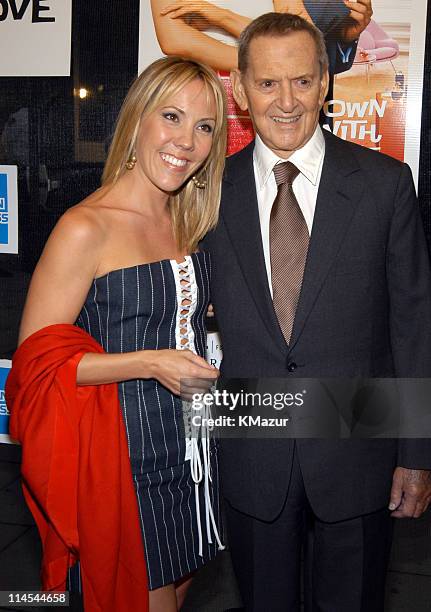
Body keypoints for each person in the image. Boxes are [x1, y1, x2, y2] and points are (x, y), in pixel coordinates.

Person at [203, 12, 431, 612]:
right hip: (253, 442)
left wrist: (414, 453)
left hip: (359, 446)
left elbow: (412, 326)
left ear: (326, 82)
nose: (286, 101)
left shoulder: (385, 184)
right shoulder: (204, 193)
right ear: (241, 90)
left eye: (302, 81)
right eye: (268, 83)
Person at [14, 56, 227, 612]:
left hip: (195, 455)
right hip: (125, 460)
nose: (187, 141)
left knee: (179, 594)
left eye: (204, 127)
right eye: (173, 117)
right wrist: (151, 362)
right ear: (138, 122)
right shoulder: (85, 226)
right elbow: (34, 367)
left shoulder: (189, 219)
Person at [151, 0, 373, 75]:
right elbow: (174, 39)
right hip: (201, 87)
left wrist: (221, 17)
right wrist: (271, 60)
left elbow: (295, 40)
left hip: (268, 92)